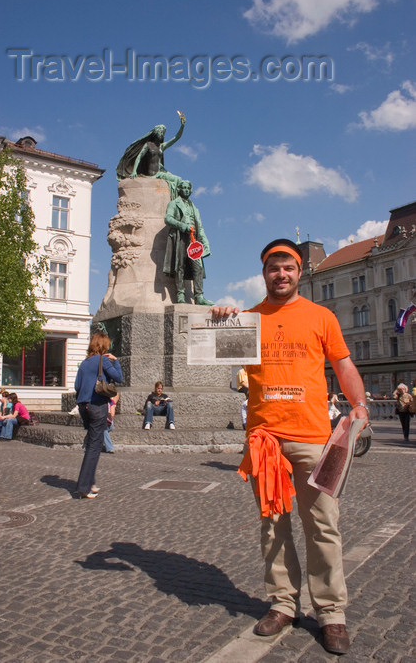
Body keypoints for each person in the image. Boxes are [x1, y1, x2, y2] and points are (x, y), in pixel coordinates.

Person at [211, 238, 368, 656]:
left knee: (323, 526)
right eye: (273, 268)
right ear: (263, 273)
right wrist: (221, 319)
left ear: (299, 272)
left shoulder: (321, 316)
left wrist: (360, 405)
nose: (280, 274)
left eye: (288, 268)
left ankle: (332, 613)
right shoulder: (247, 319)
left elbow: (343, 364)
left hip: (314, 437)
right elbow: (217, 360)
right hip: (265, 440)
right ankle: (283, 604)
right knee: (273, 526)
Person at [75, 332, 122, 498]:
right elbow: (119, 378)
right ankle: (84, 487)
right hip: (97, 405)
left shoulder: (84, 363)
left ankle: (90, 482)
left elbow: (77, 386)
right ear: (104, 346)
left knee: (92, 444)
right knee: (95, 447)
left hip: (83, 406)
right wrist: (116, 362)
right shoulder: (103, 361)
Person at [163, 180, 213, 305]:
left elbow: (200, 227)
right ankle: (180, 294)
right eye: (183, 187)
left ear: (191, 190)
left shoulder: (194, 208)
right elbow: (167, 218)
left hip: (193, 240)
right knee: (179, 266)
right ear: (179, 189)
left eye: (187, 188)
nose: (185, 190)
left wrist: (205, 244)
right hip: (181, 238)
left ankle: (199, 296)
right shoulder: (174, 203)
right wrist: (181, 225)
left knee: (198, 268)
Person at [116, 113, 186, 199]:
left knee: (179, 180)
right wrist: (134, 171)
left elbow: (176, 138)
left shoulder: (161, 146)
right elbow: (139, 157)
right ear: (156, 133)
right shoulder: (148, 145)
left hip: (161, 172)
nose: (162, 134)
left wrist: (182, 126)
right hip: (154, 173)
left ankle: (176, 204)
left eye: (163, 133)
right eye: (160, 132)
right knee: (177, 180)